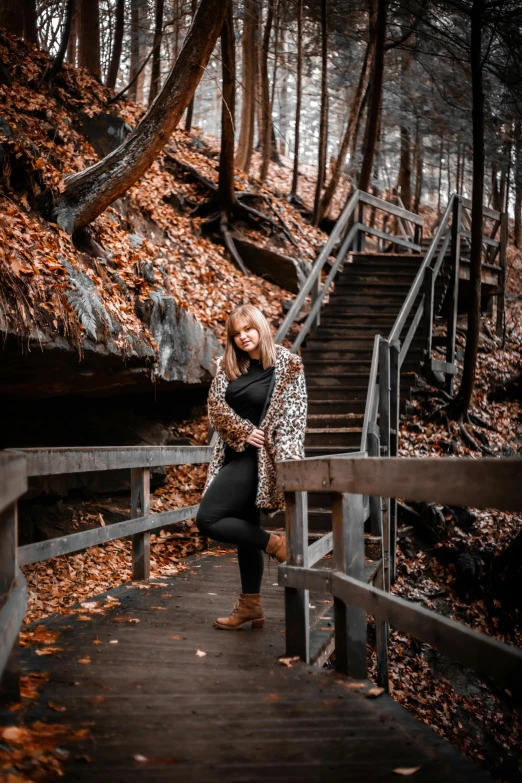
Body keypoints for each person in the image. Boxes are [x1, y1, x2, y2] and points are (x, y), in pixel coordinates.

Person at [196, 304, 307, 631]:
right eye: (236, 333)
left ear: (260, 327)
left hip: (261, 462)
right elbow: (215, 410)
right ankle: (251, 606)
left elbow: (293, 417)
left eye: (248, 329)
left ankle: (275, 544)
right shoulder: (229, 367)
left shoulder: (287, 366)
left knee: (208, 519)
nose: (243, 337)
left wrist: (288, 454)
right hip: (233, 455)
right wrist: (242, 430)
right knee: (243, 533)